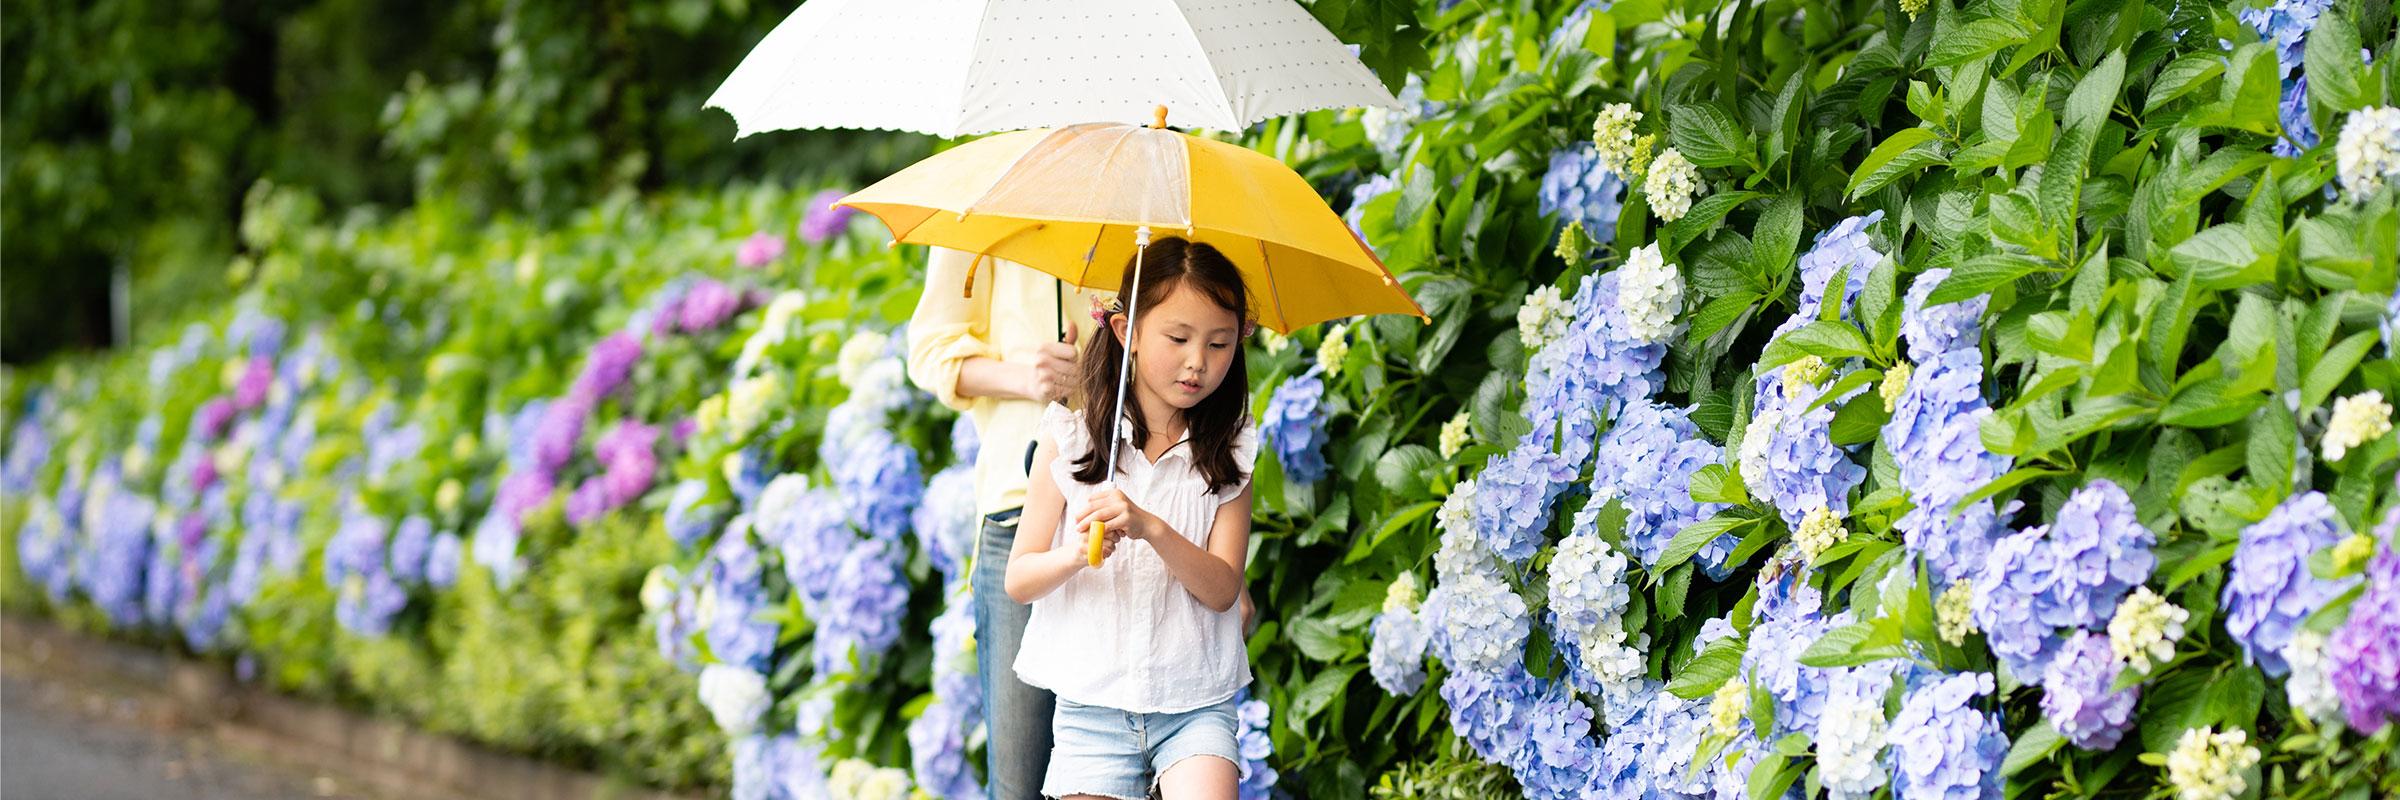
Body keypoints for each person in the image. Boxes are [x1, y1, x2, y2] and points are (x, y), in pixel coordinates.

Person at [1004, 237, 1257, 800]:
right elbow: (1018, 580)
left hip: (1195, 702)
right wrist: (1075, 553)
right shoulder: (1069, 438)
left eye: (1220, 344)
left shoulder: (1231, 448)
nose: (1199, 362)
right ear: (1128, 333)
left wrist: (1151, 528)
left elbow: (1222, 589)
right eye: (1179, 338)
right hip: (1091, 707)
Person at [906, 247, 1096, 800]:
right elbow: (931, 351)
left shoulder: (1136, 200)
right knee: (1020, 781)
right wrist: (1028, 377)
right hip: (1020, 513)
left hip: (1126, 507)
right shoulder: (986, 211)